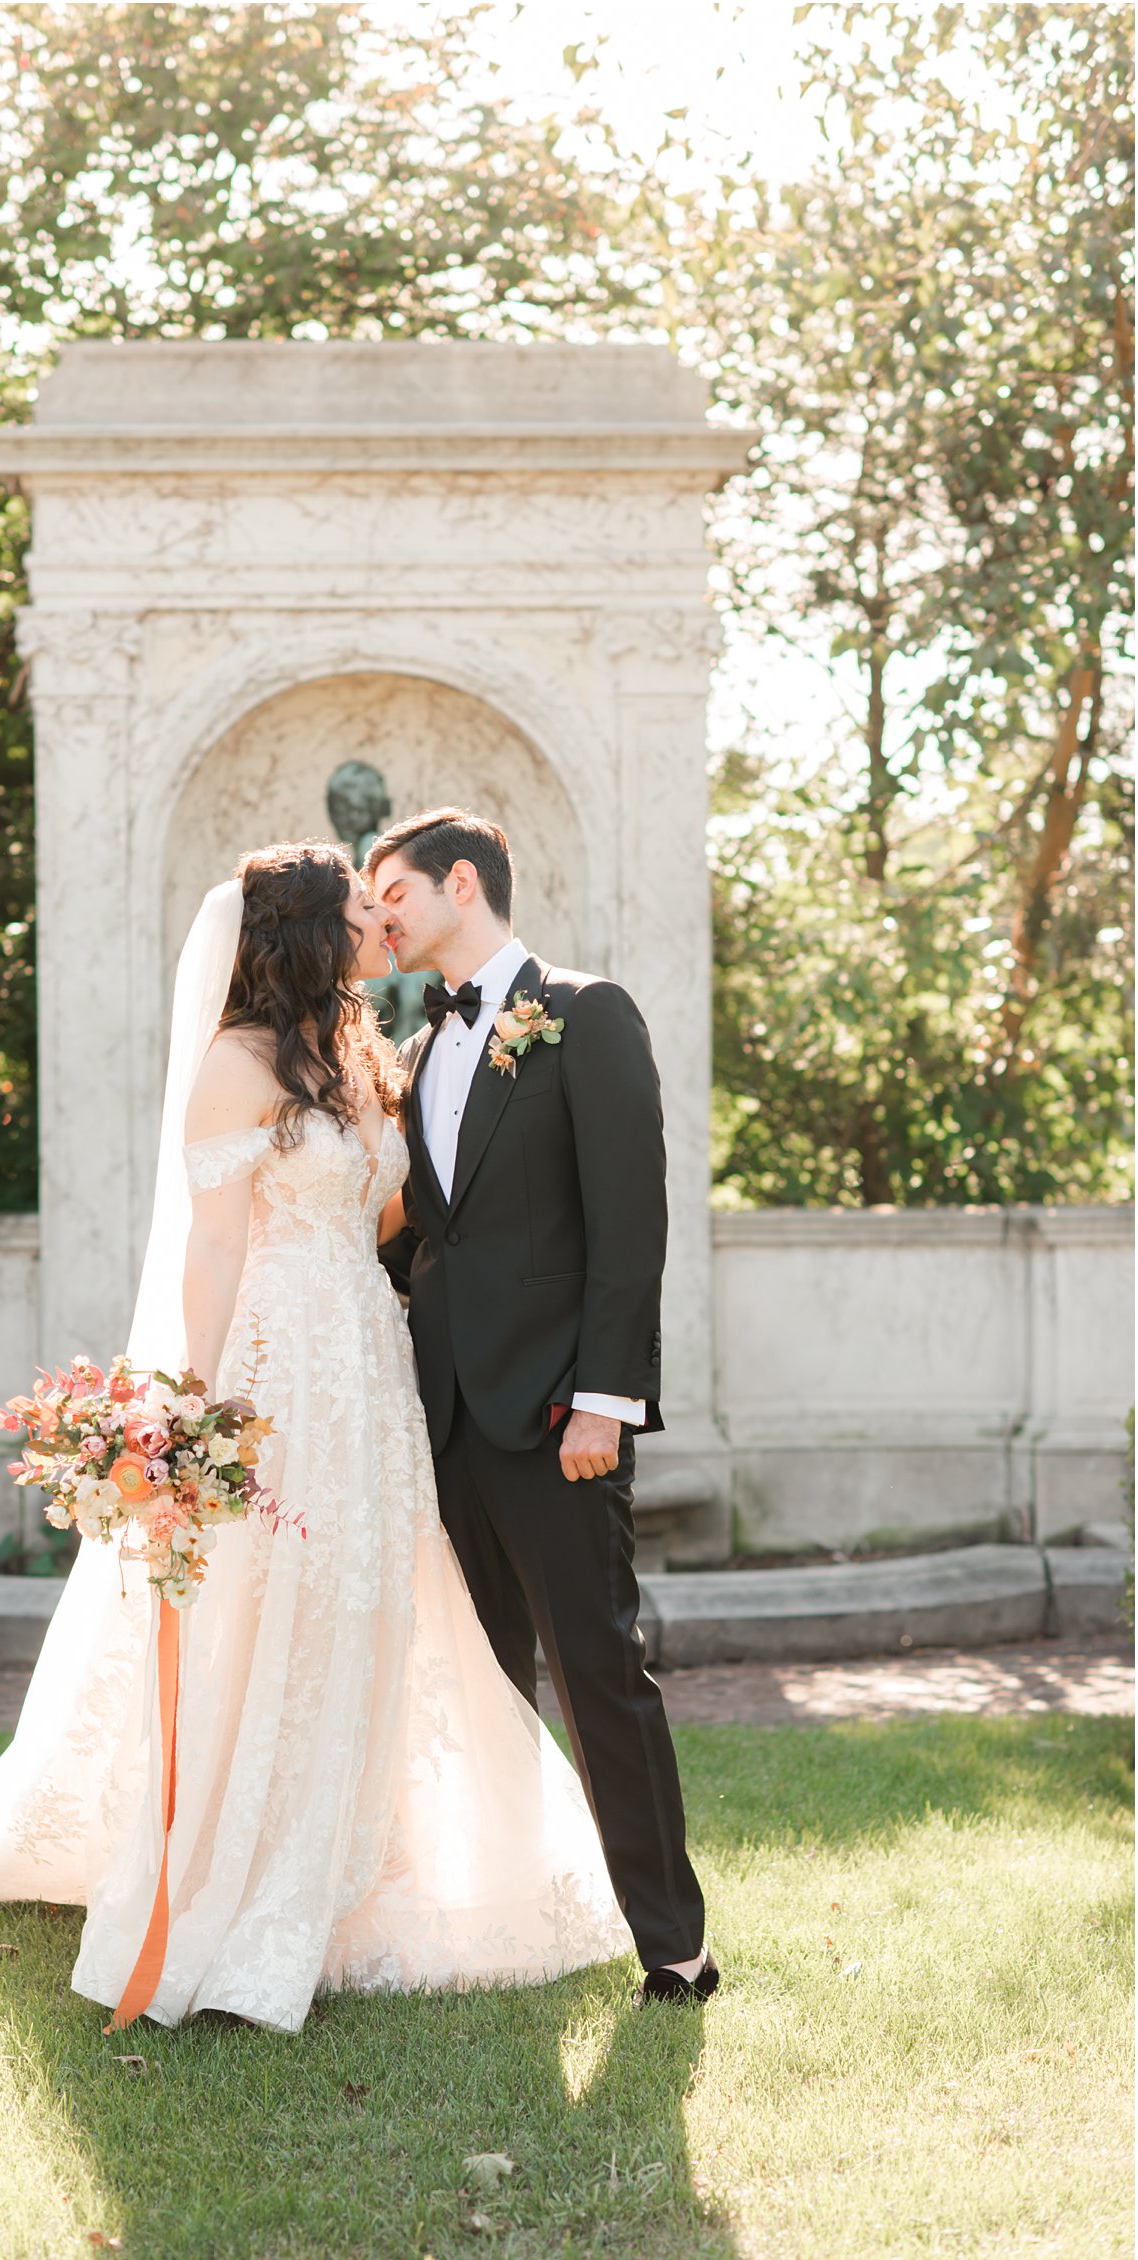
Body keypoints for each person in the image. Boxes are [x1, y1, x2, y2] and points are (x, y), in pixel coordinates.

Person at [0, 842, 638, 2033]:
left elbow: (396, 1210)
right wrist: (184, 1407)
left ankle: (361, 1855)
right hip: (277, 1370)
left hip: (369, 1365)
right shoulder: (236, 1061)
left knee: (369, 1599)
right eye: (361, 910)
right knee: (268, 1603)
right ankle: (247, 1866)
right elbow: (212, 1249)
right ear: (310, 933)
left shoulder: (360, 1054)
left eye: (389, 903)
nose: (381, 923)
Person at [367, 807, 717, 2005]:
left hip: (559, 1416)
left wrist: (604, 1403)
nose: (382, 915)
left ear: (461, 882)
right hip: (445, 1417)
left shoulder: (586, 1014)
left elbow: (631, 1227)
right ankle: (515, 1921)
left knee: (598, 1674)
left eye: (394, 892)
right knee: (481, 1682)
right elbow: (426, 1240)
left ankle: (675, 1946)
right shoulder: (417, 1053)